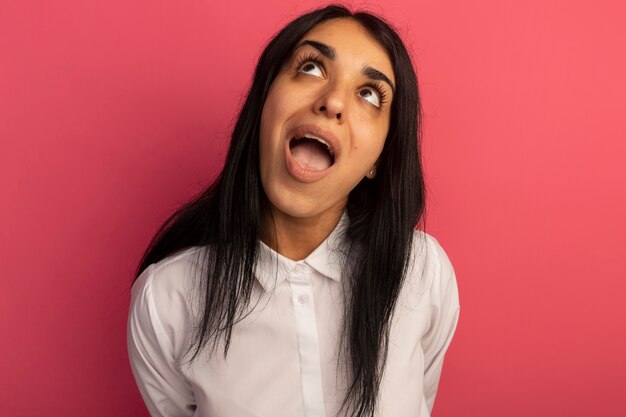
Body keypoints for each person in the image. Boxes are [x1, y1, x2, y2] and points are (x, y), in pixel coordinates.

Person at [127, 4, 460, 417]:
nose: (333, 101)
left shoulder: (423, 274)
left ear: (380, 157)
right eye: (312, 68)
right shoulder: (166, 299)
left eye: (369, 94)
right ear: (264, 104)